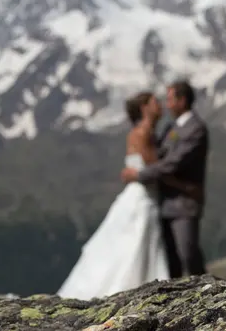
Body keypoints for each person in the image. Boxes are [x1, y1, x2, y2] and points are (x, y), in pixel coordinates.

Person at [58, 92, 170, 300]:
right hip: (144, 197)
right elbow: (154, 167)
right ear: (145, 108)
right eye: (155, 102)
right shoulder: (143, 133)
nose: (160, 105)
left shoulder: (145, 132)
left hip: (144, 195)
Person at [121, 80, 208, 277]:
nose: (166, 105)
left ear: (182, 100)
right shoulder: (171, 128)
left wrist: (140, 174)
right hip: (164, 202)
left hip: (184, 203)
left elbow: (173, 163)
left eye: (169, 99)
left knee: (188, 253)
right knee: (171, 260)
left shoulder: (195, 128)